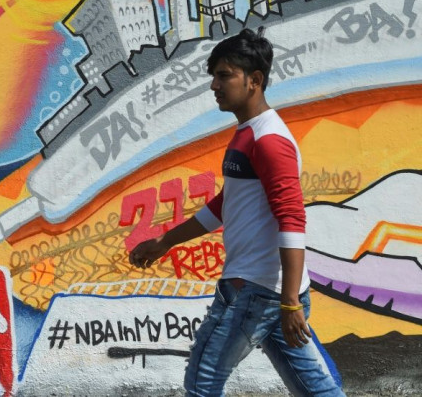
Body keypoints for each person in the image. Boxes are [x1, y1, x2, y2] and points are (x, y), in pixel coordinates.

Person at [129, 28, 344, 396]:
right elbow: (225, 206)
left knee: (203, 381)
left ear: (255, 80)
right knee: (314, 389)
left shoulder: (269, 140)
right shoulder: (248, 133)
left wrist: (290, 301)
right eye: (214, 75)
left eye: (225, 75)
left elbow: (291, 220)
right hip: (266, 292)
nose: (214, 84)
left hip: (258, 292)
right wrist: (165, 242)